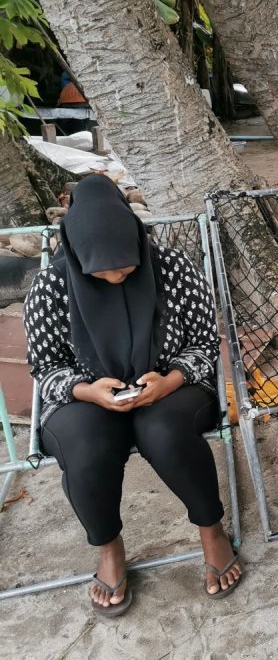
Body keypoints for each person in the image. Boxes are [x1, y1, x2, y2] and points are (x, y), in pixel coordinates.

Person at [22, 174, 241, 616]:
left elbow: (203, 343)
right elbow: (45, 369)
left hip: (170, 384)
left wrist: (170, 379)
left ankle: (211, 530)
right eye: (100, 275)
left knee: (163, 430)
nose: (117, 280)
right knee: (85, 447)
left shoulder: (174, 270)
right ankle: (108, 548)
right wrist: (86, 390)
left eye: (127, 269)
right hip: (85, 394)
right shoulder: (49, 289)